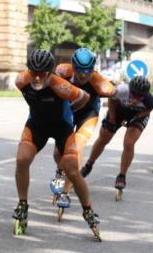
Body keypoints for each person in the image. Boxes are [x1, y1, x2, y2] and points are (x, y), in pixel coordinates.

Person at [13, 49, 102, 240]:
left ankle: (88, 210)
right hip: (36, 126)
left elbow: (85, 98)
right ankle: (22, 204)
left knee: (72, 169)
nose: (37, 77)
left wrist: (69, 111)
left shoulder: (61, 86)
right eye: (33, 72)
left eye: (42, 73)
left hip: (62, 128)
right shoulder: (21, 81)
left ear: (49, 72)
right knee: (22, 159)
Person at [49, 47, 116, 211]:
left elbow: (114, 94)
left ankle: (65, 191)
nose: (84, 75)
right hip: (68, 112)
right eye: (79, 70)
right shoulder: (62, 71)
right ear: (73, 66)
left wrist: (113, 118)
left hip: (88, 115)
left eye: (88, 71)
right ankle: (61, 171)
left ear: (93, 69)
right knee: (58, 153)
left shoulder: (99, 83)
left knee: (76, 149)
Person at [81, 75, 153, 197]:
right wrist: (112, 118)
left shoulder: (150, 101)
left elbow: (147, 111)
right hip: (118, 111)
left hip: (137, 116)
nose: (135, 100)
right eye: (133, 95)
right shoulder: (121, 90)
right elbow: (111, 100)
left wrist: (134, 118)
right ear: (129, 90)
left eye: (139, 97)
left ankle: (122, 175)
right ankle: (88, 165)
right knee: (104, 138)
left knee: (128, 143)